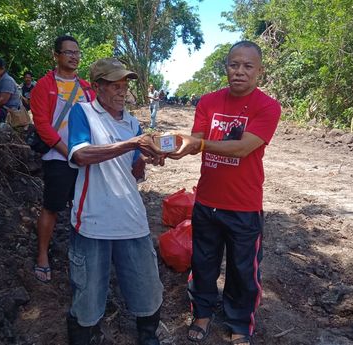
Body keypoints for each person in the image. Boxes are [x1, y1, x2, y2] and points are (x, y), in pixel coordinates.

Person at [167, 41, 281, 345]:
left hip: (244, 204)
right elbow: (194, 141)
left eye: (247, 66)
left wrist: (199, 145)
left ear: (259, 71)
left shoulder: (267, 106)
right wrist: (170, 149)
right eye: (234, 65)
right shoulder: (208, 102)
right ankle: (202, 313)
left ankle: (240, 324)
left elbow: (244, 147)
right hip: (206, 201)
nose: (240, 72)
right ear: (225, 67)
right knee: (203, 262)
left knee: (243, 270)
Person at [66, 57, 165, 345]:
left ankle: (148, 335)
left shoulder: (132, 123)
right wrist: (133, 144)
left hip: (130, 217)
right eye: (115, 86)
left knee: (146, 286)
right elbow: (80, 155)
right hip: (93, 220)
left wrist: (148, 158)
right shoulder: (83, 113)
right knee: (87, 293)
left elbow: (133, 170)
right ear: (97, 87)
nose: (122, 92)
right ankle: (85, 335)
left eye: (125, 86)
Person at [29, 35, 95, 283]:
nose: (74, 56)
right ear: (56, 55)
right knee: (52, 207)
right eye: (68, 52)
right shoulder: (43, 86)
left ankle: (82, 255)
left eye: (77, 52)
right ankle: (42, 255)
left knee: (83, 208)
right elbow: (42, 125)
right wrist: (69, 152)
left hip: (84, 159)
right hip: (58, 158)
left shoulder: (87, 88)